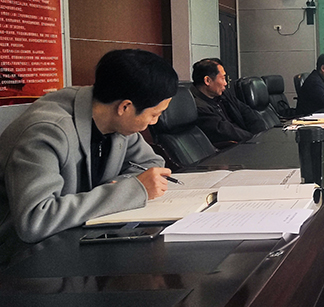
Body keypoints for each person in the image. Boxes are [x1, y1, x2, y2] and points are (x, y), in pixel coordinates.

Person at [0, 49, 178, 247]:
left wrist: (119, 187)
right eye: (154, 114)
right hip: (23, 254)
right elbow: (36, 220)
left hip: (76, 237)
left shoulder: (116, 122)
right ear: (125, 107)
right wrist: (129, 191)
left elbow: (151, 164)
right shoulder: (46, 131)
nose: (154, 122)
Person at [190, 58, 268, 147]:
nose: (225, 83)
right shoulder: (198, 107)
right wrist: (253, 139)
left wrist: (261, 136)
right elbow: (225, 132)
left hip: (249, 142)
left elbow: (247, 112)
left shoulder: (223, 95)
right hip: (234, 148)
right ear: (207, 80)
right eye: (223, 78)